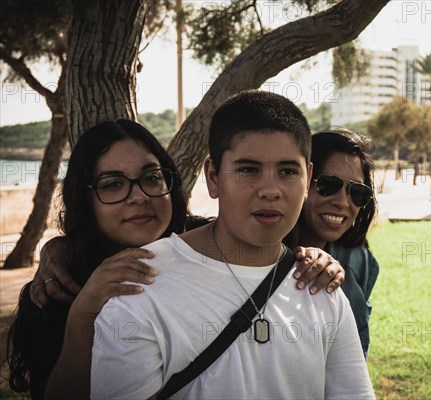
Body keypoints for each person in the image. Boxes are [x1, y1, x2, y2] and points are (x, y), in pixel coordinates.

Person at [5, 119, 343, 400]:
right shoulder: (59, 287)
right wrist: (81, 315)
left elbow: (273, 250)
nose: (138, 197)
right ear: (85, 197)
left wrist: (314, 258)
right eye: (113, 184)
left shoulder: (211, 246)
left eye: (152, 178)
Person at [90, 91, 375, 399]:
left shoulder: (321, 286)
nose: (270, 190)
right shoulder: (141, 287)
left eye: (287, 171)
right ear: (213, 177)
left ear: (307, 179)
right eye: (248, 169)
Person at [288, 128, 380, 358]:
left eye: (356, 192)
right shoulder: (260, 256)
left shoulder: (359, 260)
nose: (342, 202)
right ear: (303, 182)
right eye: (329, 184)